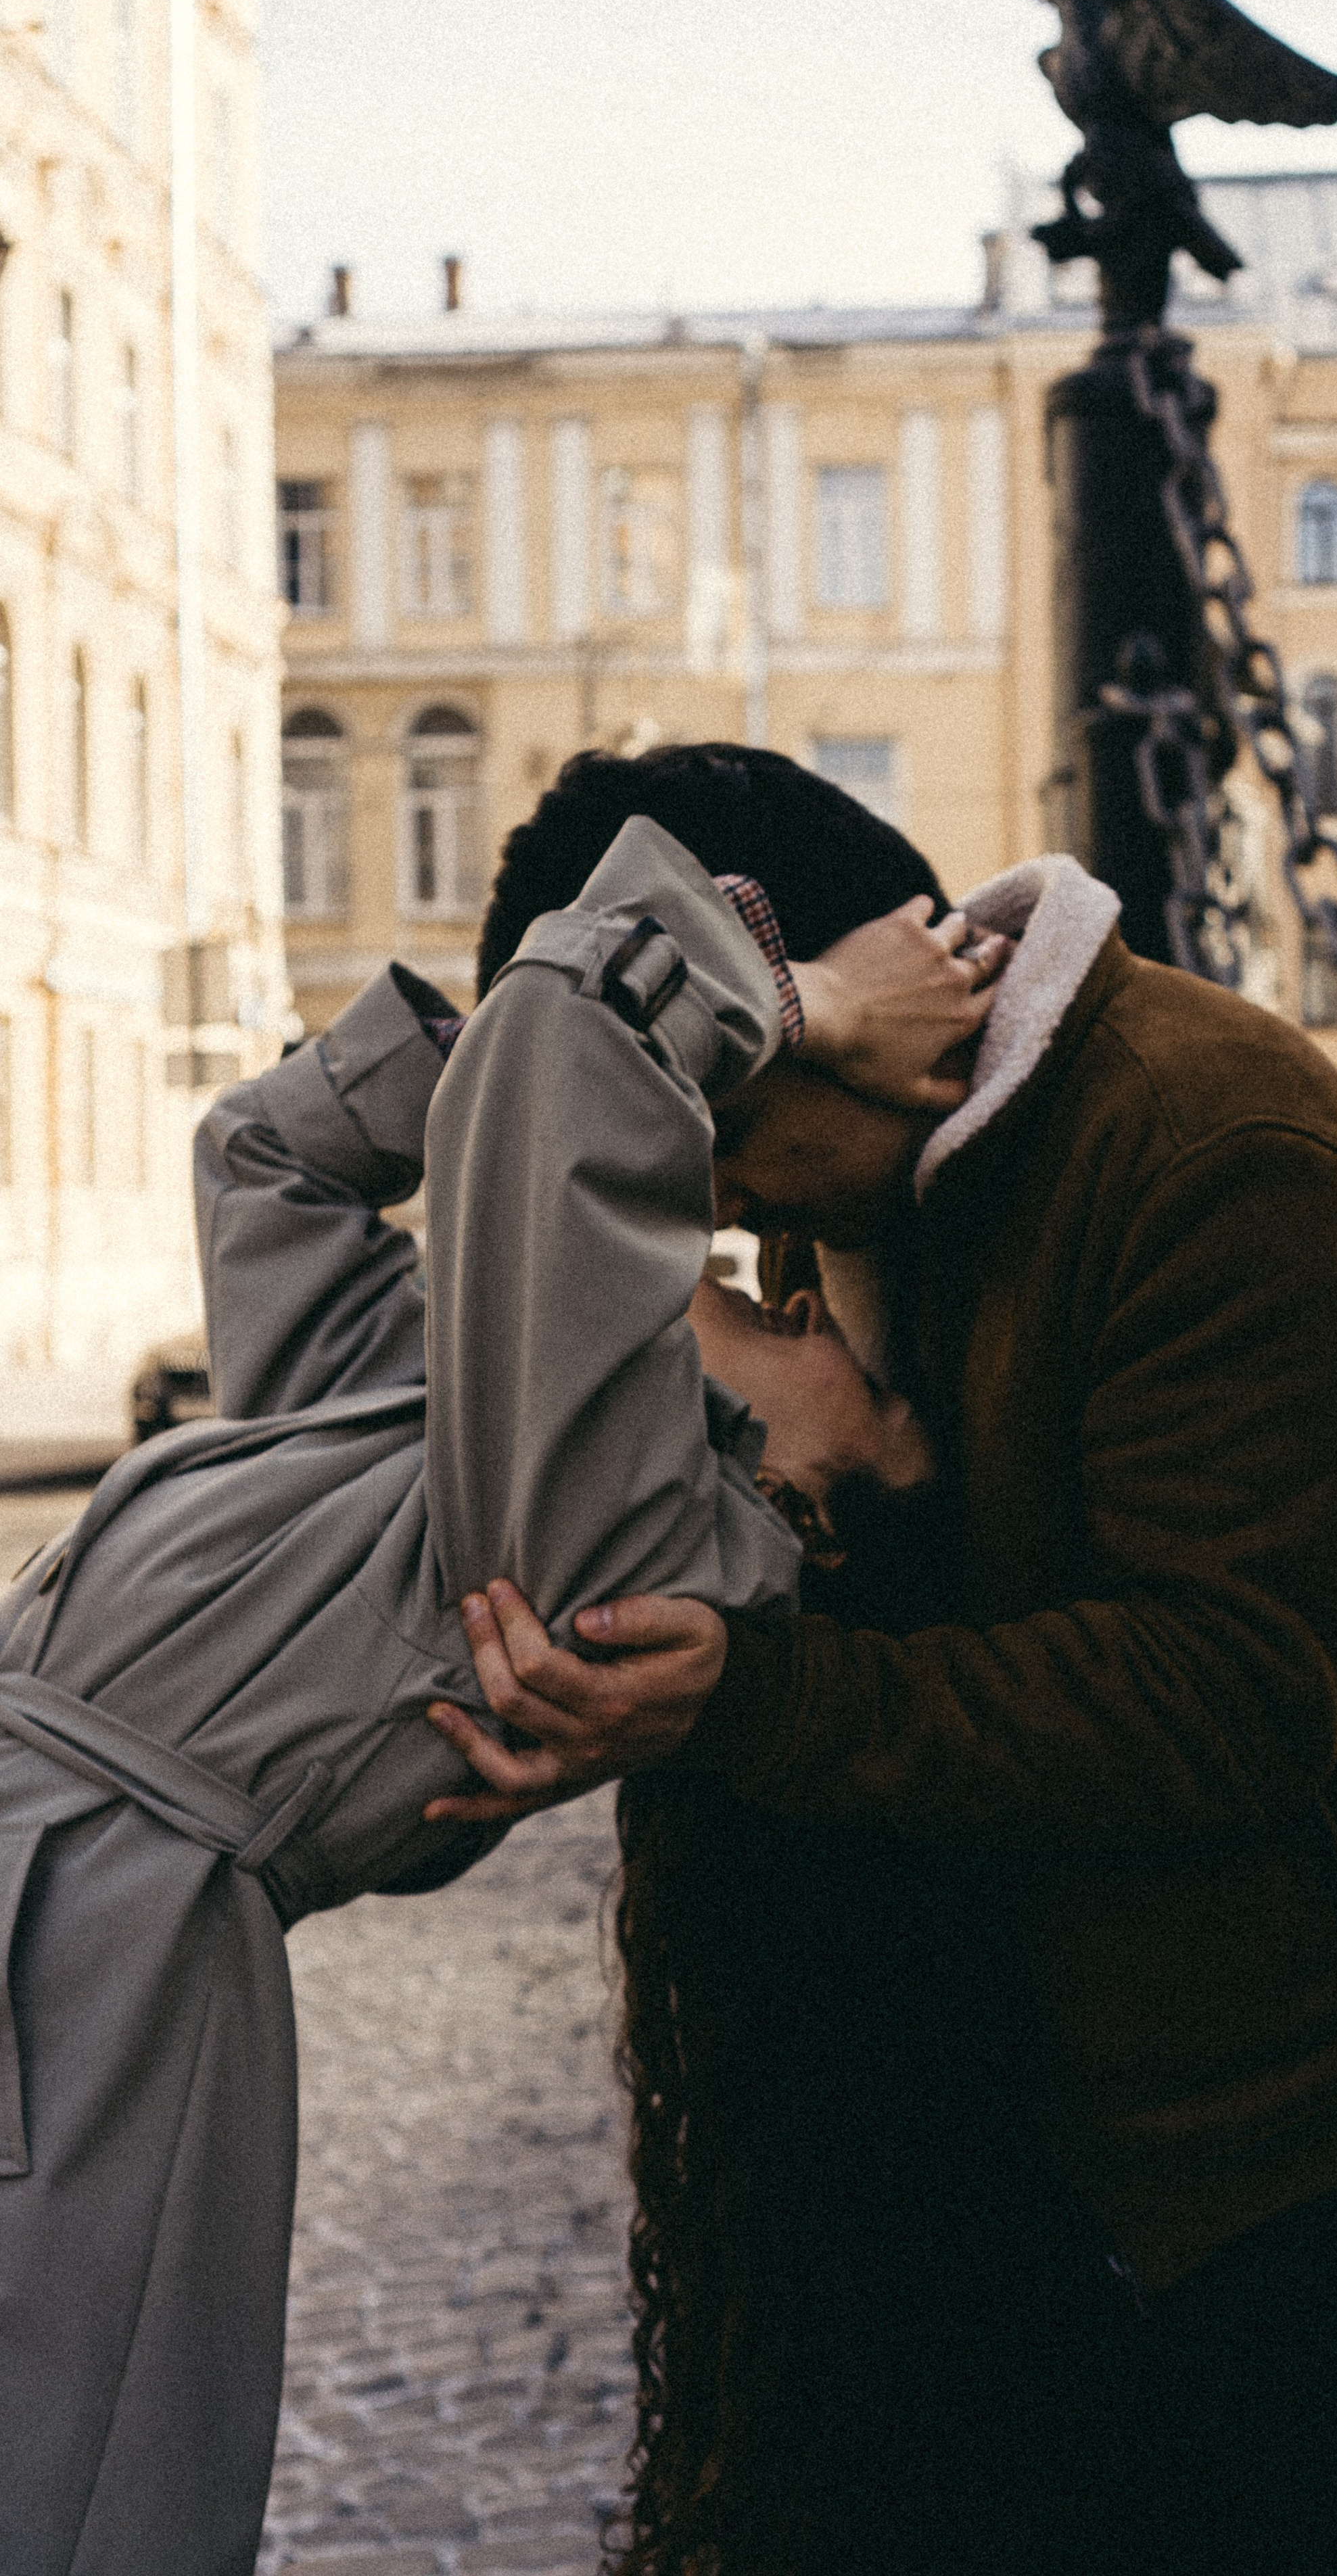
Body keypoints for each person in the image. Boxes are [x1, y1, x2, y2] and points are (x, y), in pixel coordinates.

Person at [435, 742, 1337, 2576]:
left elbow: (1221, 1699)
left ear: (840, 1006)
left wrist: (755, 1689)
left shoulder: (1215, 1146)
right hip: (1070, 2133)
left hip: (1328, 2136)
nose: (709, 1205)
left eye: (711, 1127)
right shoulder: (855, 1192)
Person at [0, 810, 994, 2576]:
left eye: (870, 1370)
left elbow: (571, 1060)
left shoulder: (635, 1540)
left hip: (89, 1951)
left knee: (61, 2493)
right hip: (58, 1886)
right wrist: (447, 1077)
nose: (819, 1310)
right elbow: (267, 1168)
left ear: (819, 1514)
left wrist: (815, 1009)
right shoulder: (490, 1448)